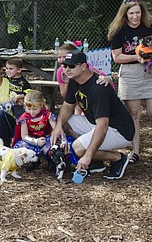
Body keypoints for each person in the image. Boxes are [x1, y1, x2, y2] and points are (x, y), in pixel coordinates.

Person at [50, 51, 135, 180]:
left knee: (78, 149)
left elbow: (103, 125)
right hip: (95, 123)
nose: (67, 69)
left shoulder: (98, 88)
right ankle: (97, 161)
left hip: (119, 130)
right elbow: (67, 106)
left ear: (83, 66)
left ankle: (118, 158)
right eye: (64, 65)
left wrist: (88, 154)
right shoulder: (74, 80)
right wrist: (58, 127)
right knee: (63, 122)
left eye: (71, 66)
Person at [108, 0, 152, 162]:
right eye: (131, 13)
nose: (135, 17)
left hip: (151, 72)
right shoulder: (118, 30)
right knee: (134, 114)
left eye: (138, 13)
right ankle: (135, 151)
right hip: (130, 73)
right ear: (125, 14)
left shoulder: (151, 26)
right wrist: (137, 56)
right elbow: (117, 57)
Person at [13, 90, 55, 159]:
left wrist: (49, 139)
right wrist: (35, 141)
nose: (32, 112)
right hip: (31, 141)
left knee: (52, 148)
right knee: (19, 147)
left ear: (41, 105)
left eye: (35, 109)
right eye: (29, 109)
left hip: (46, 140)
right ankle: (32, 160)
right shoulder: (25, 118)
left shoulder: (48, 115)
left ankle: (51, 162)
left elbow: (56, 130)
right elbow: (24, 135)